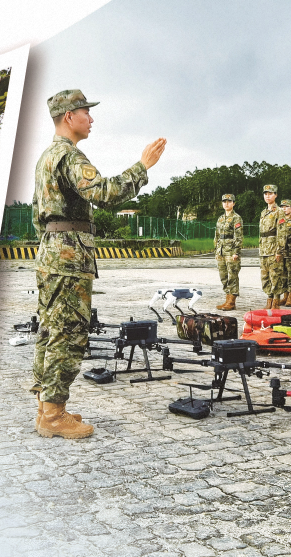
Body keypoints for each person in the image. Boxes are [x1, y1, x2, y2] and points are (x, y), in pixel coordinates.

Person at [31, 89, 166, 438]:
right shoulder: (69, 156)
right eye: (85, 112)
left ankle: (47, 407)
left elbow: (36, 214)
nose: (91, 119)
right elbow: (104, 193)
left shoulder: (46, 157)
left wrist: (53, 245)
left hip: (51, 252)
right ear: (68, 116)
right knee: (68, 333)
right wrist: (143, 167)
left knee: (50, 330)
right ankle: (54, 414)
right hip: (68, 258)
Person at [258, 184, 285, 309]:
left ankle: (276, 302)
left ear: (276, 195)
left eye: (270, 193)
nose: (267, 196)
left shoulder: (279, 212)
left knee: (275, 276)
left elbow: (282, 233)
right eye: (265, 194)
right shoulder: (263, 212)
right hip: (264, 249)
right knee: (265, 276)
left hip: (274, 249)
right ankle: (269, 299)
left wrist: (279, 250)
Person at [214, 193, 243, 310]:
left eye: (229, 201)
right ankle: (227, 299)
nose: (226, 204)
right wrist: (216, 250)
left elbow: (239, 236)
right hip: (221, 251)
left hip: (231, 251)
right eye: (224, 201)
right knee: (223, 276)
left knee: (232, 276)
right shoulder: (220, 218)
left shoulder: (236, 218)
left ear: (233, 203)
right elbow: (216, 235)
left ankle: (232, 301)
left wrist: (236, 252)